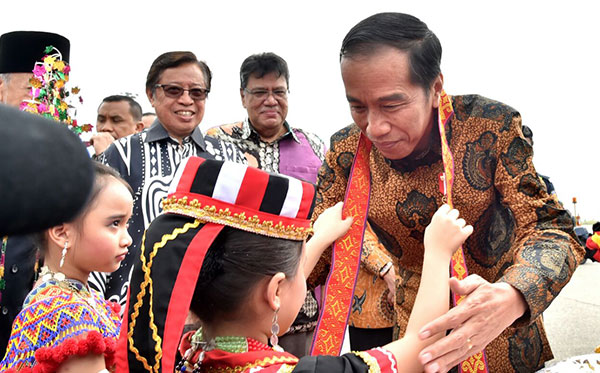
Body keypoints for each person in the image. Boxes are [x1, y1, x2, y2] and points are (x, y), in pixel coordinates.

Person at [309, 12, 584, 372]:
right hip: (415, 338)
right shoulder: (347, 150)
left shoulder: (489, 127)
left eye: (392, 104)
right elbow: (308, 242)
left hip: (500, 329)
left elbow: (551, 228)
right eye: (358, 106)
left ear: (436, 87)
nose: (374, 127)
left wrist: (513, 294)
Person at [118, 156, 473, 372]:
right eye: (296, 274)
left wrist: (316, 239)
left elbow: (257, 292)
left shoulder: (184, 351)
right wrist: (438, 251)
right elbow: (417, 352)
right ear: (275, 290)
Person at [92, 51, 245, 311]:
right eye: (173, 90)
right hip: (131, 309)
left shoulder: (229, 157)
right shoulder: (122, 155)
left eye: (197, 92)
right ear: (152, 94)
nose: (186, 100)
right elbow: (97, 229)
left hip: (209, 312)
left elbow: (241, 238)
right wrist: (95, 308)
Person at [205, 52, 326, 356]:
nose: (270, 101)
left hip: (301, 302)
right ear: (243, 96)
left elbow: (328, 210)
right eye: (260, 92)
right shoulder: (219, 141)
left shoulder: (313, 146)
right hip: (235, 301)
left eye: (278, 92)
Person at [0, 162, 133, 372]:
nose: (127, 239)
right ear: (62, 234)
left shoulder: (65, 295)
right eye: (114, 223)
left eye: (127, 223)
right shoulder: (70, 314)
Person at [0, 31, 77, 359]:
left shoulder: (76, 160)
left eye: (54, 89)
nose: (46, 99)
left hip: (41, 325)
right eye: (35, 87)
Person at [521, 125, 557, 198]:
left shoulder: (545, 183)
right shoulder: (501, 181)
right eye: (521, 146)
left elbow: (556, 206)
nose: (525, 150)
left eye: (528, 146)